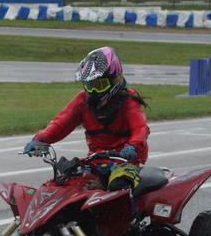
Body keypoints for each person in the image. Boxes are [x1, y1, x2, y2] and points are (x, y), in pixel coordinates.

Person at [23, 46, 150, 192]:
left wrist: (133, 146)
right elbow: (61, 123)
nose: (94, 92)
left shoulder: (128, 101)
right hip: (95, 162)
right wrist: (40, 139)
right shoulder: (82, 100)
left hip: (125, 162)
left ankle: (127, 205)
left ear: (115, 80)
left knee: (118, 186)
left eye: (99, 85)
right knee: (66, 184)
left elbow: (140, 128)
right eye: (90, 86)